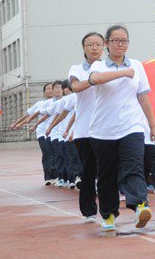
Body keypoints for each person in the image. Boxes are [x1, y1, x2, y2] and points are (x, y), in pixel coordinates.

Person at [85, 25, 155, 232]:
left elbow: (143, 96)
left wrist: (153, 126)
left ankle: (140, 206)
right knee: (107, 174)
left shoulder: (137, 65)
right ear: (107, 44)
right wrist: (122, 73)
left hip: (131, 126)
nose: (120, 44)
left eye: (124, 41)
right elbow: (95, 80)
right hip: (102, 130)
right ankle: (109, 216)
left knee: (133, 166)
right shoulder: (99, 65)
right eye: (116, 41)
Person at [67, 32, 105, 221]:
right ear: (84, 48)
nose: (94, 48)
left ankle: (108, 209)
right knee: (89, 170)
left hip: (107, 128)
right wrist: (93, 79)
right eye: (90, 44)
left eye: (98, 44)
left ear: (104, 46)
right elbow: (76, 87)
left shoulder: (108, 67)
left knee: (107, 170)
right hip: (84, 130)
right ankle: (89, 210)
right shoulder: (76, 69)